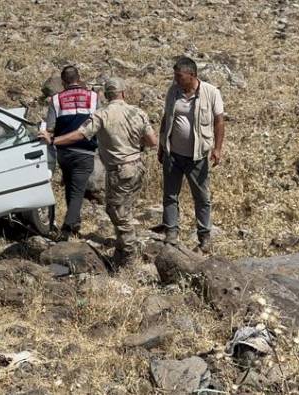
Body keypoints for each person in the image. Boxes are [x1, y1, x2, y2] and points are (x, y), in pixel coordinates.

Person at [39, 77, 157, 265]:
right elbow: (152, 141)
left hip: (119, 169)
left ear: (106, 96)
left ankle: (129, 255)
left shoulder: (103, 114)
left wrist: (54, 141)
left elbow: (80, 134)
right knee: (124, 208)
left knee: (117, 211)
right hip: (138, 167)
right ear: (124, 93)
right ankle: (121, 248)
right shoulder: (138, 112)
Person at [158, 57, 225, 253]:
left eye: (179, 76)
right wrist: (162, 146)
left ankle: (204, 236)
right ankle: (171, 232)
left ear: (192, 75)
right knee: (170, 195)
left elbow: (219, 122)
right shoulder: (173, 91)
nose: (176, 79)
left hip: (197, 156)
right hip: (173, 154)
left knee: (202, 197)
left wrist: (217, 149)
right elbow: (166, 117)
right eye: (175, 76)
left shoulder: (211, 92)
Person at [44, 65, 98, 240]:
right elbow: (100, 122)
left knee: (70, 185)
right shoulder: (94, 97)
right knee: (77, 190)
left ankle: (74, 223)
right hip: (85, 150)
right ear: (79, 77)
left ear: (63, 81)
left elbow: (50, 127)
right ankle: (68, 227)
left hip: (64, 151)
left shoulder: (56, 99)